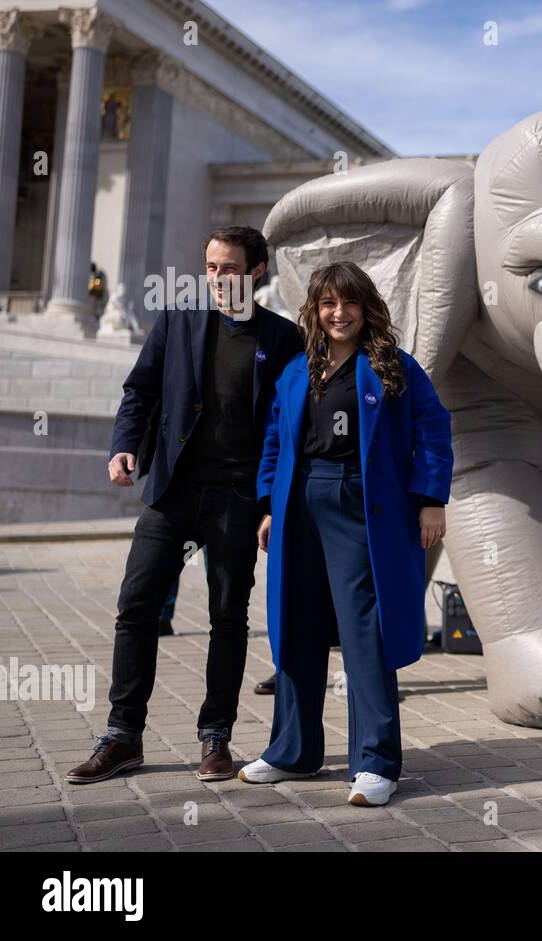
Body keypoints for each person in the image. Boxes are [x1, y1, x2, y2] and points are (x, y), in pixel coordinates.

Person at [67, 226, 303, 784]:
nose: (218, 280)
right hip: (172, 493)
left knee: (228, 617)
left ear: (256, 271)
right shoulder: (177, 322)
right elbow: (140, 391)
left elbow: (289, 427)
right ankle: (123, 736)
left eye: (229, 269)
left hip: (239, 499)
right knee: (137, 605)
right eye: (211, 269)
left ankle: (215, 736)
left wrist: (272, 504)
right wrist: (124, 446)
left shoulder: (284, 339)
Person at [239, 261, 452, 807]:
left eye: (349, 303)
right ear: (315, 309)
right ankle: (293, 751)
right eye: (329, 304)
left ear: (366, 307)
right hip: (297, 503)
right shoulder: (295, 372)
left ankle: (376, 762)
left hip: (362, 503)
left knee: (365, 629)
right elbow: (273, 443)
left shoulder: (392, 368)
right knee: (296, 623)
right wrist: (267, 506)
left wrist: (431, 501)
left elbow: (432, 430)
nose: (340, 314)